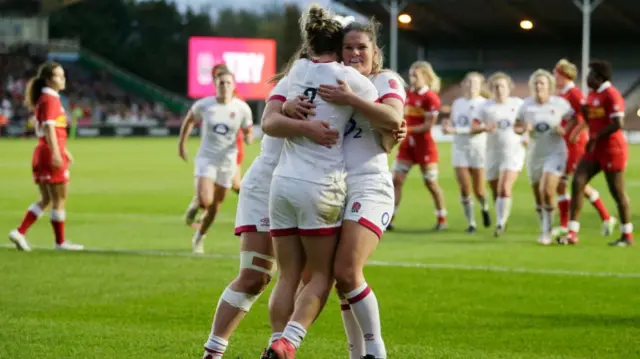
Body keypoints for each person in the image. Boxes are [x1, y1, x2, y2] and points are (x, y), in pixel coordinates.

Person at [200, 48, 340, 359]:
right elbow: (270, 119)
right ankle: (213, 352)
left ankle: (277, 349)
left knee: (308, 277)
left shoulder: (343, 88)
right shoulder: (289, 84)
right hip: (267, 185)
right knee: (255, 275)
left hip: (305, 189)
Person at [261, 5, 378, 358]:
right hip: (320, 186)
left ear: (309, 43)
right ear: (339, 44)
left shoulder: (295, 71)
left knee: (287, 275)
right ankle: (288, 342)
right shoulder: (351, 79)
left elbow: (271, 116)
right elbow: (382, 113)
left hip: (281, 185)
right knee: (321, 277)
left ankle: (274, 343)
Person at [314, 19, 405, 359]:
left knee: (347, 271)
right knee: (342, 281)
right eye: (348, 47)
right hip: (333, 187)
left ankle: (376, 351)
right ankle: (356, 354)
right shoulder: (331, 82)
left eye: (361, 47)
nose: (354, 53)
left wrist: (351, 99)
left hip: (370, 185)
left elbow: (394, 119)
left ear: (375, 52)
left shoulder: (385, 79)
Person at [8, 61, 84, 251]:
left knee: (46, 199)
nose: (63, 79)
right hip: (49, 154)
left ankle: (19, 232)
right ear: (49, 80)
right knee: (59, 198)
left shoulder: (45, 98)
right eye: (59, 76)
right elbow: (49, 127)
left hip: (42, 152)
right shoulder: (50, 99)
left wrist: (63, 150)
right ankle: (60, 243)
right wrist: (57, 154)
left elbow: (47, 129)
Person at [177, 69, 253, 253]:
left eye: (228, 83)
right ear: (215, 85)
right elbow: (189, 120)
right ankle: (197, 204)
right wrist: (182, 145)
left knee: (215, 206)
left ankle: (199, 236)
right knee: (206, 200)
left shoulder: (242, 108)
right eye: (221, 83)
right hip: (207, 158)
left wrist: (249, 137)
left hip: (228, 161)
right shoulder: (205, 105)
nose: (225, 86)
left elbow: (248, 129)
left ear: (234, 85)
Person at [561, 60, 633, 246]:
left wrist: (595, 136)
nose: (587, 78)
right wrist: (585, 114)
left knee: (617, 192)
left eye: (590, 74)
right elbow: (589, 116)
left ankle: (627, 235)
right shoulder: (593, 94)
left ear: (599, 78)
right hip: (595, 149)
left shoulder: (612, 95)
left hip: (612, 150)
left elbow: (618, 124)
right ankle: (572, 232)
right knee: (578, 181)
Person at [552, 59, 616, 238]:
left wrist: (575, 132)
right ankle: (565, 224)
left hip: (575, 145)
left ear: (564, 75)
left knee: (579, 185)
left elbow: (584, 114)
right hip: (565, 143)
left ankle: (606, 217)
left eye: (556, 74)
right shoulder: (563, 93)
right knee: (561, 183)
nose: (554, 77)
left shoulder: (574, 93)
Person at [515, 69, 573, 245]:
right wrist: (525, 129)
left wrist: (564, 130)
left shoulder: (559, 104)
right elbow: (516, 126)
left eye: (542, 83)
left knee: (547, 190)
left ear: (550, 86)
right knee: (538, 196)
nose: (539, 86)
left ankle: (547, 231)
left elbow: (573, 118)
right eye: (536, 83)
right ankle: (545, 225)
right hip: (534, 154)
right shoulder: (526, 105)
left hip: (555, 152)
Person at [184, 64, 244, 228]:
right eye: (217, 79)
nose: (223, 84)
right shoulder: (211, 102)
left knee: (235, 185)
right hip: (214, 151)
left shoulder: (237, 100)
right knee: (227, 187)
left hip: (233, 149)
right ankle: (200, 205)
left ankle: (199, 207)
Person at [390, 61, 447, 231]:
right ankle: (390, 219)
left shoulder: (431, 98)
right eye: (410, 75)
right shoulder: (407, 94)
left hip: (424, 147)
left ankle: (442, 218)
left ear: (426, 77)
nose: (412, 78)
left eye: (415, 75)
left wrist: (407, 129)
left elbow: (428, 125)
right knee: (396, 180)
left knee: (430, 183)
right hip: (407, 146)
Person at [472, 72, 525, 237]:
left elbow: (527, 124)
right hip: (492, 153)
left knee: (504, 187)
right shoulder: (486, 106)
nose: (499, 90)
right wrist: (483, 128)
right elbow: (474, 126)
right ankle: (503, 217)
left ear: (509, 88)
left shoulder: (518, 104)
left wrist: (525, 133)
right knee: (496, 191)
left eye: (502, 86)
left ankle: (500, 223)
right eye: (495, 87)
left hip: (513, 151)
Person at [442, 72, 491, 233]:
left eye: (475, 83)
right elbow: (452, 123)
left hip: (478, 149)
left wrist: (455, 130)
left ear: (480, 86)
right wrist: (447, 125)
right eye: (468, 83)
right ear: (463, 85)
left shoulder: (485, 104)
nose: (471, 86)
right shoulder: (458, 103)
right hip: (460, 148)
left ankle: (484, 207)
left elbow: (481, 128)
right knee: (464, 188)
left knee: (479, 190)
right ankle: (471, 223)